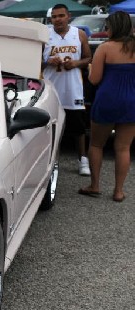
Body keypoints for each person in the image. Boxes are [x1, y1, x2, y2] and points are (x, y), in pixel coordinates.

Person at [79, 11, 135, 202]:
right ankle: (118, 191)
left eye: (107, 27)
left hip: (107, 100)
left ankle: (95, 185)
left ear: (113, 27)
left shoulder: (105, 48)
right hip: (131, 102)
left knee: (96, 144)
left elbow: (94, 79)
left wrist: (90, 68)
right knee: (123, 148)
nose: (106, 30)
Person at [42, 4, 92, 175]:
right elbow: (34, 59)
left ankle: (82, 160)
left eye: (61, 16)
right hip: (51, 87)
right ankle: (48, 159)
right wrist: (48, 61)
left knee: (78, 126)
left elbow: (88, 57)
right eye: (54, 17)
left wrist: (76, 63)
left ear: (68, 16)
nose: (58, 19)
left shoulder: (79, 34)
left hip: (73, 88)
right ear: (51, 19)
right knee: (49, 126)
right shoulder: (45, 35)